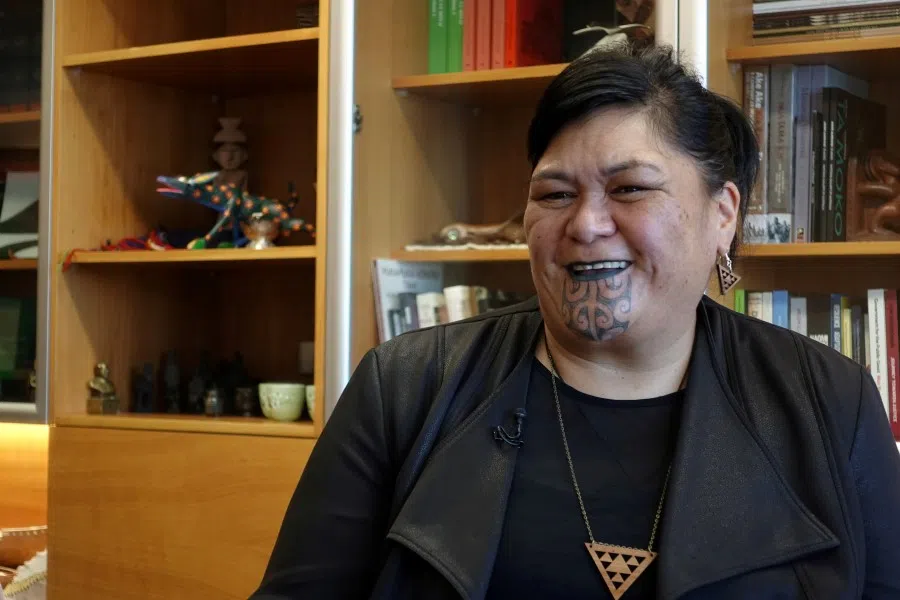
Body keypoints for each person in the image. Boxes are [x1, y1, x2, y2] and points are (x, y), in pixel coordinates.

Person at [249, 42, 900, 599]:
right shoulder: (406, 387)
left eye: (629, 189)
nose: (584, 224)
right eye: (554, 194)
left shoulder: (830, 401)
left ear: (722, 212)